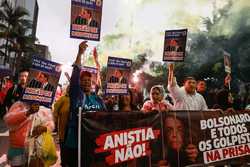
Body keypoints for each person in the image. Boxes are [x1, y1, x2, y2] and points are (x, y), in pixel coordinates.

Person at [63, 41, 106, 167]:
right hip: (75, 144)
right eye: (84, 80)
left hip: (93, 142)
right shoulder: (77, 95)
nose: (87, 82)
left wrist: (96, 60)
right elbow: (76, 74)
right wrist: (80, 53)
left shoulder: (97, 99)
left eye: (89, 80)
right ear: (80, 83)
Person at [4, 102, 54, 167]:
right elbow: (8, 120)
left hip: (37, 148)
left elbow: (51, 124)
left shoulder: (44, 108)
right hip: (18, 149)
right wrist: (28, 112)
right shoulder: (18, 105)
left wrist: (45, 128)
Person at [53, 86, 70, 167]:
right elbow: (55, 110)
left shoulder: (78, 98)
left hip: (73, 129)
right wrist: (54, 121)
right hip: (63, 129)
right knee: (63, 147)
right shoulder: (63, 98)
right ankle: (64, 163)